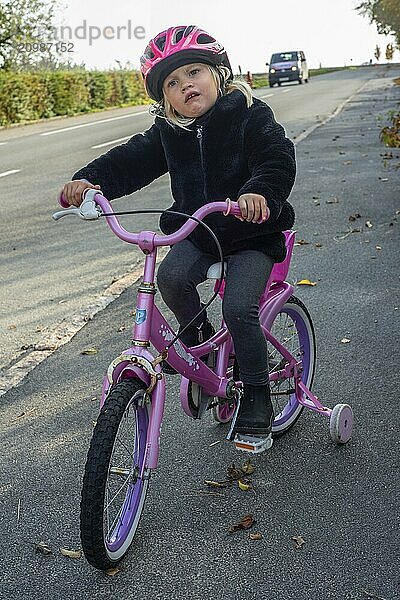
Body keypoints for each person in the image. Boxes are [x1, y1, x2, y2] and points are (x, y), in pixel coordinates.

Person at [61, 25, 296, 440]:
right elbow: (129, 161)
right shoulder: (171, 131)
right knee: (169, 278)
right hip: (199, 231)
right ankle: (201, 336)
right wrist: (89, 181)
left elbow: (276, 155)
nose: (186, 85)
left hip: (251, 234)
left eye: (193, 73)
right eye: (173, 82)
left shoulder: (248, 114)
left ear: (218, 73)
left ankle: (258, 392)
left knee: (240, 309)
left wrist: (261, 191)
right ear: (164, 97)